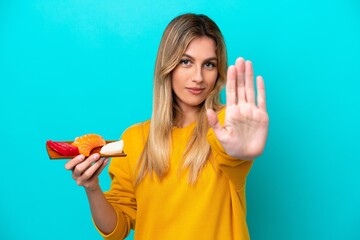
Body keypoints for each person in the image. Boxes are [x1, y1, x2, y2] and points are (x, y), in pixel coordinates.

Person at [65, 13, 269, 240]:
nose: (198, 77)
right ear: (168, 65)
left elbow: (233, 152)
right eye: (186, 62)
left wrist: (240, 151)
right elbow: (117, 229)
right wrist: (92, 187)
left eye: (209, 64)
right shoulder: (134, 139)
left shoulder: (224, 126)